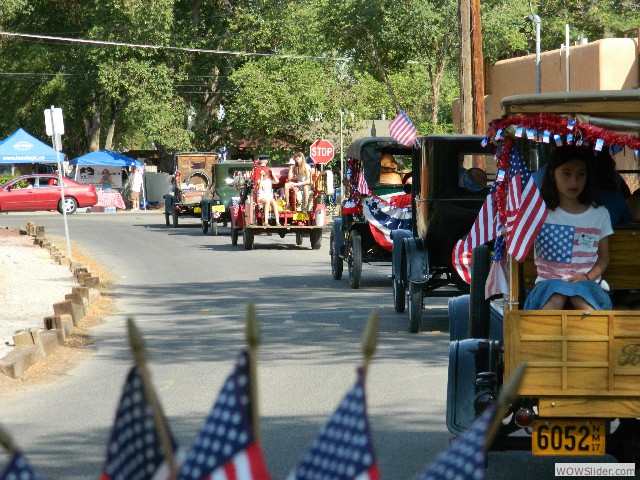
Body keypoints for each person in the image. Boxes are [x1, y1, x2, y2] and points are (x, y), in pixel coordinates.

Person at [524, 146, 613, 311]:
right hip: (547, 285)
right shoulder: (538, 212)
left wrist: (587, 277)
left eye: (581, 174)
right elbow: (519, 237)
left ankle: (594, 335)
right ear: (552, 174)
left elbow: (603, 258)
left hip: (587, 285)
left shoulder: (599, 213)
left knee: (581, 300)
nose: (574, 181)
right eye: (566, 173)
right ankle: (542, 336)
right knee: (556, 298)